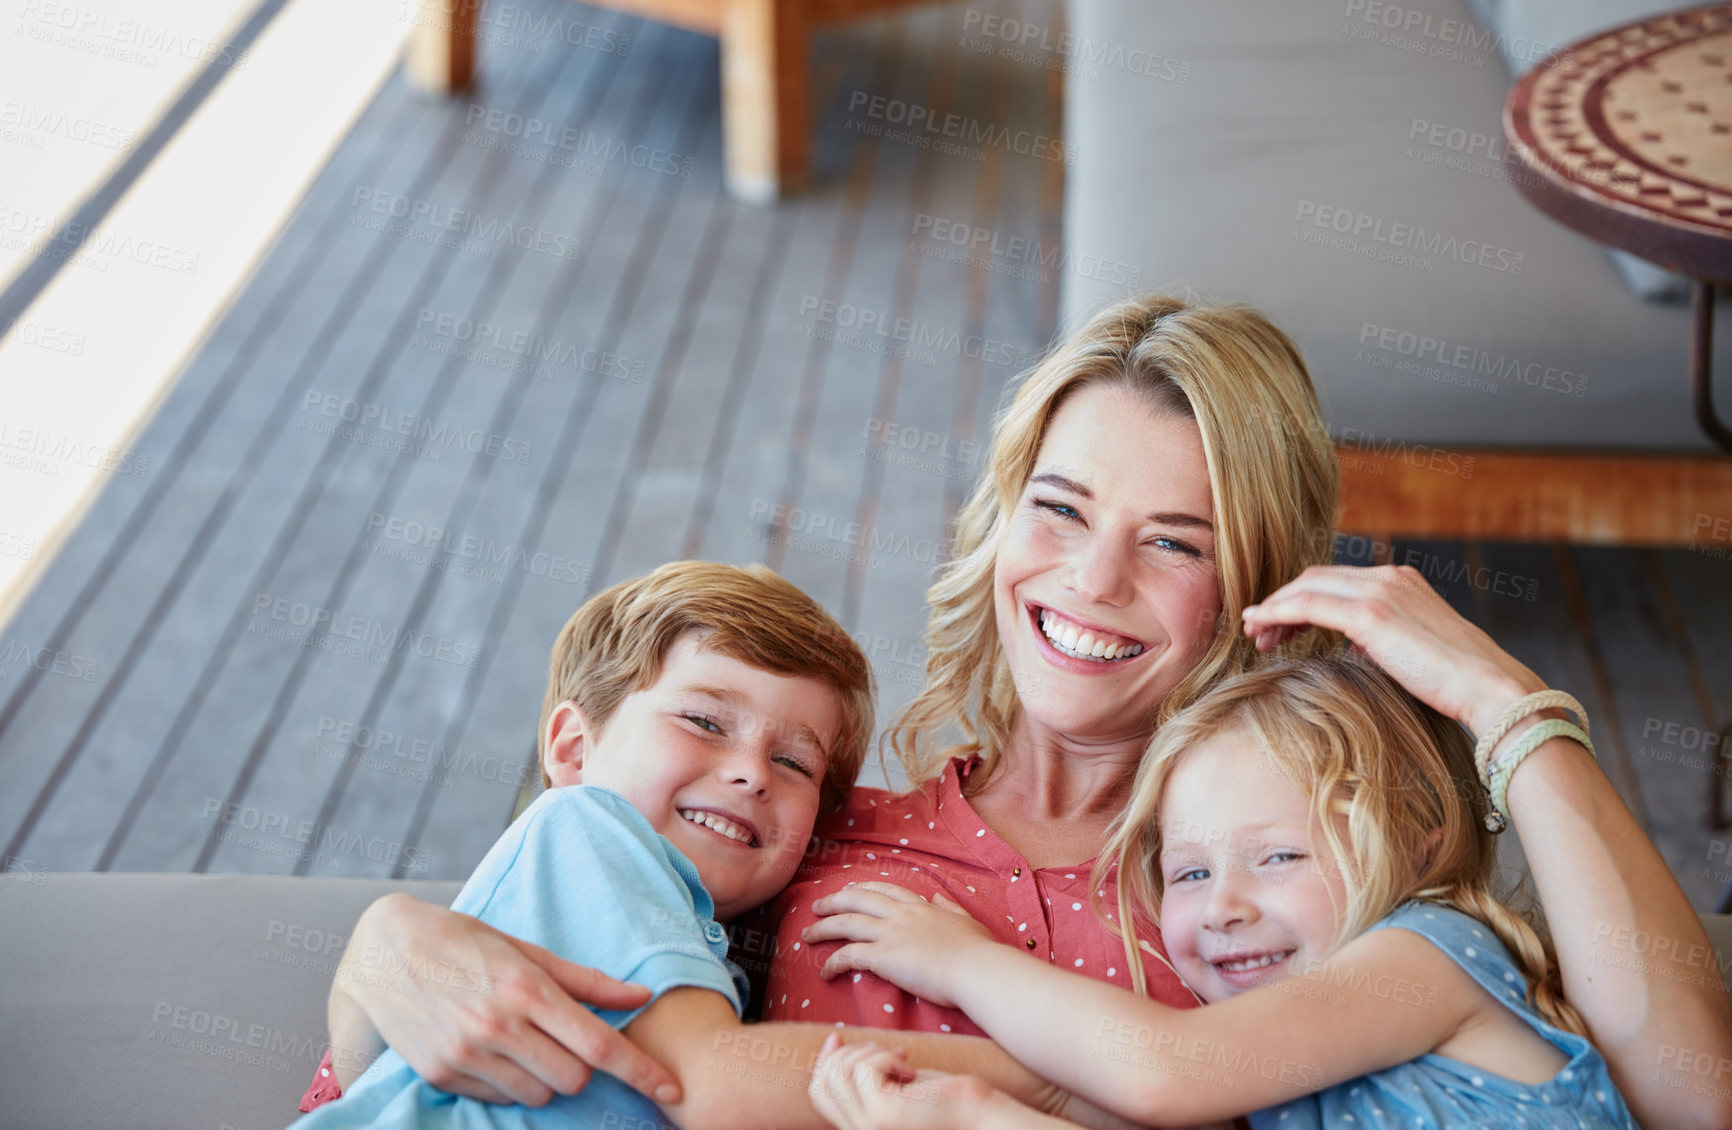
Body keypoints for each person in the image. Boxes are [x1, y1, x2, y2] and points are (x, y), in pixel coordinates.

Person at [303, 295, 1732, 1129]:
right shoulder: (818, 827)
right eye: (1060, 509)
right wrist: (382, 950)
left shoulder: (1284, 879)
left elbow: (1686, 1089)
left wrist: (1507, 701)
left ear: (1258, 585)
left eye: (1175, 540)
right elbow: (533, 1026)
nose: (1092, 580)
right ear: (999, 530)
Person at [296, 561, 1113, 1130]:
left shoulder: (718, 960)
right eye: (703, 722)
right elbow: (710, 1084)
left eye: (794, 763)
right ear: (575, 751)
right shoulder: (585, 835)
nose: (751, 773)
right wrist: (1045, 1083)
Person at [801, 652, 1639, 1129]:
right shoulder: (1291, 1064)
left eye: (1277, 858)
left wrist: (960, 967)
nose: (1223, 906)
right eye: (1191, 873)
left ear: (1418, 851)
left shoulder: (1430, 953)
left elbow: (1162, 1071)